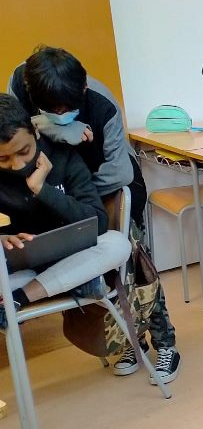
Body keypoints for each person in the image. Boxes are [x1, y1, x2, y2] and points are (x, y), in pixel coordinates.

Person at [8, 47, 182, 383]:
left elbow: (119, 172)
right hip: (63, 192)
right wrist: (56, 130)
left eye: (68, 109)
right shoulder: (20, 84)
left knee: (135, 268)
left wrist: (81, 193)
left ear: (83, 87)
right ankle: (132, 343)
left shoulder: (103, 104)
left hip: (111, 186)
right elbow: (21, 136)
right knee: (101, 275)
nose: (61, 113)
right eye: (52, 110)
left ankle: (166, 345)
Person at [0, 95, 131, 326]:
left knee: (118, 244)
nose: (17, 165)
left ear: (35, 132)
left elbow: (98, 222)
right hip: (28, 265)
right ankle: (78, 284)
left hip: (75, 257)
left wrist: (43, 190)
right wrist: (2, 238)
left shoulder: (63, 156)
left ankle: (21, 297)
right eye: (3, 158)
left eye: (24, 151)